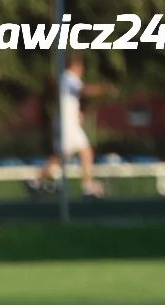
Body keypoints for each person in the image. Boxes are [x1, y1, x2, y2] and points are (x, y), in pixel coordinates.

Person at [27, 53, 116, 198]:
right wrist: (104, 88)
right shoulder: (69, 78)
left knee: (79, 153)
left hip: (69, 124)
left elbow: (72, 100)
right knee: (71, 154)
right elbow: (84, 91)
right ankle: (38, 181)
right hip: (67, 125)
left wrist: (78, 113)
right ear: (76, 66)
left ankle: (38, 182)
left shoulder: (67, 80)